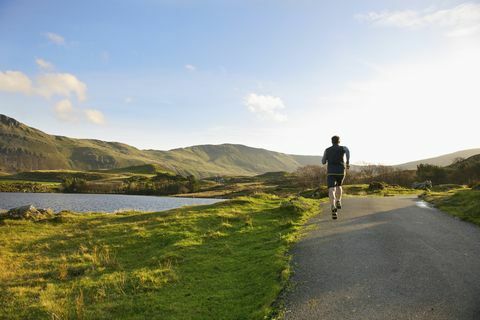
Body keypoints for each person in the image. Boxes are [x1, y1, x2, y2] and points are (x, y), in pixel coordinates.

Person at [322, 136, 350, 219]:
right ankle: (339, 201)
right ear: (339, 141)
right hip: (341, 171)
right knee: (339, 186)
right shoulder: (343, 148)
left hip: (331, 172)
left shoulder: (327, 150)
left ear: (331, 141)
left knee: (331, 189)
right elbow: (348, 152)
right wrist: (347, 162)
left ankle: (333, 205)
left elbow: (323, 162)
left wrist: (327, 159)